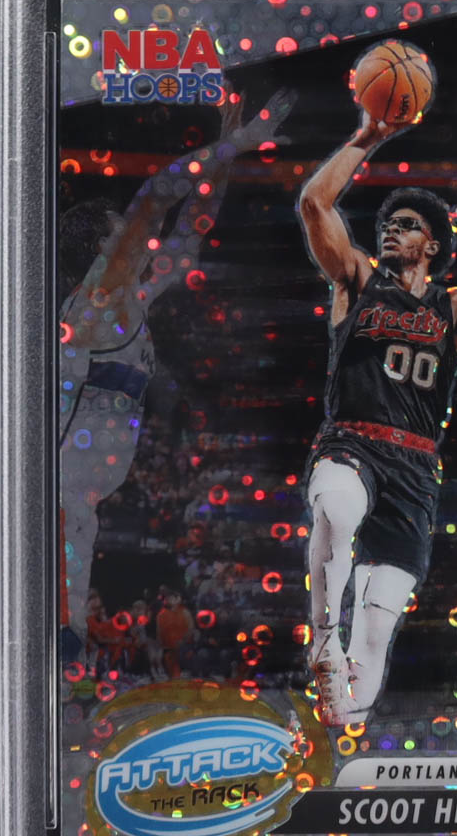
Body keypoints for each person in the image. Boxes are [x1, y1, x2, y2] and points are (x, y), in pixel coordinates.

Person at [297, 107, 457, 726]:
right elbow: (315, 204)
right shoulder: (358, 279)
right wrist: (365, 138)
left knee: (373, 643)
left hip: (416, 467)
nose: (391, 231)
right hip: (352, 441)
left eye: (406, 225)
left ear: (432, 245)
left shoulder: (454, 305)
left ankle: (343, 709)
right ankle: (322, 641)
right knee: (336, 508)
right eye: (388, 224)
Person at [59, 85, 293, 651]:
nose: (141, 238)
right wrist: (238, 141)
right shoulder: (97, 302)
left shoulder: (127, 305)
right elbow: (153, 198)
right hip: (56, 489)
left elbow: (191, 232)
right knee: (56, 632)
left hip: (79, 496)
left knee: (68, 638)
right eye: (122, 231)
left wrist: (224, 158)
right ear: (103, 248)